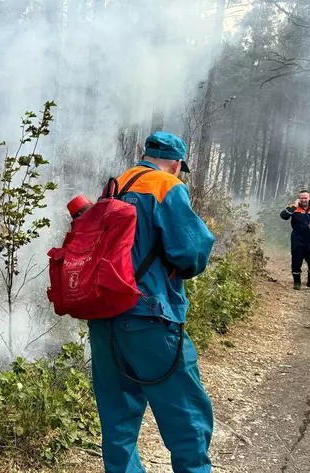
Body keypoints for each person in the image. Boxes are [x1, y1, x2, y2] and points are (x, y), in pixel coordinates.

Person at [88, 131, 216, 473]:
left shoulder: (114, 186)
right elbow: (191, 251)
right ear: (177, 163)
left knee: (118, 421)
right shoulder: (165, 185)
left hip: (104, 319)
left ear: (145, 153)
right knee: (186, 417)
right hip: (149, 318)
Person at [280, 190, 310, 290]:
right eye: (302, 198)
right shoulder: (294, 207)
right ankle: (297, 282)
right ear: (298, 198)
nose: (304, 200)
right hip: (297, 238)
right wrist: (293, 207)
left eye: (305, 198)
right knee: (296, 261)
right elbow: (283, 216)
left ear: (309, 197)